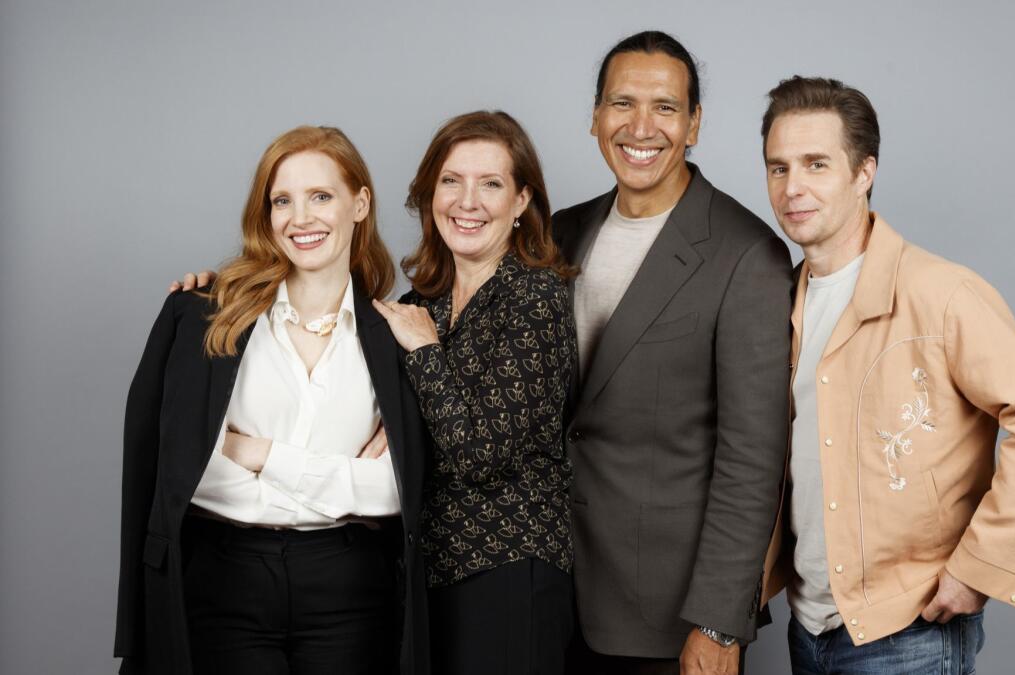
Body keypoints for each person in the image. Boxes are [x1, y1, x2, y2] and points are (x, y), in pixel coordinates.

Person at [756, 75, 1015, 674]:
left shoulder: (941, 293)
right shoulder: (779, 302)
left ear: (864, 173)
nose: (793, 187)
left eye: (816, 164)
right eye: (778, 168)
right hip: (807, 627)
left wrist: (979, 569)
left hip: (907, 630)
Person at [115, 126, 431, 675]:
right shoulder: (200, 318)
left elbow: (398, 492)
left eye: (321, 197)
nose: (300, 218)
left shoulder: (394, 336)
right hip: (224, 583)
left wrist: (259, 454)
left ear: (360, 204)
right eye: (282, 200)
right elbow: (186, 472)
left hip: (353, 593)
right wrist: (340, 484)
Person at [554, 31, 793, 675]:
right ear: (596, 118)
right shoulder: (557, 233)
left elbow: (753, 458)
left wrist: (719, 621)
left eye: (664, 107)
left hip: (670, 615)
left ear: (694, 125)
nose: (640, 126)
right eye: (621, 103)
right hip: (548, 591)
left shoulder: (747, 255)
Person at [371, 110, 577, 674]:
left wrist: (424, 355)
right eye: (451, 181)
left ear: (519, 202)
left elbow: (478, 453)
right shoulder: (418, 306)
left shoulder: (536, 299)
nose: (468, 202)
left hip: (510, 573)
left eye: (490, 184)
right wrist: (223, 289)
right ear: (428, 193)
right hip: (426, 576)